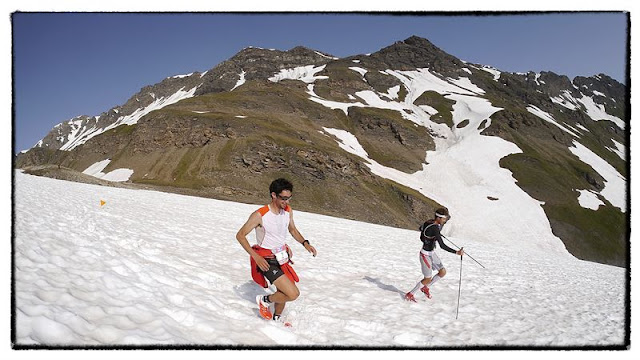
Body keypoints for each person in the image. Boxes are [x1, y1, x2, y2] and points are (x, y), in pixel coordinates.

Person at [236, 178, 317, 324]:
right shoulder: (260, 214)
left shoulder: (287, 211)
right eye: (283, 198)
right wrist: (256, 257)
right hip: (266, 260)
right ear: (274, 195)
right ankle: (264, 299)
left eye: (289, 198)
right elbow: (240, 235)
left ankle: (276, 319)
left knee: (286, 290)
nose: (286, 202)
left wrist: (305, 243)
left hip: (282, 257)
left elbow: (291, 229)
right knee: (293, 294)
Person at [404, 207, 464, 302]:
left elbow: (421, 230)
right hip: (425, 255)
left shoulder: (430, 222)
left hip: (431, 253)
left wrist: (433, 236)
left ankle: (425, 288)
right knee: (427, 278)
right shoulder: (435, 228)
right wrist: (457, 252)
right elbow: (442, 246)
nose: (445, 221)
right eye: (444, 219)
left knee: (442, 272)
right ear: (439, 218)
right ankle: (410, 294)